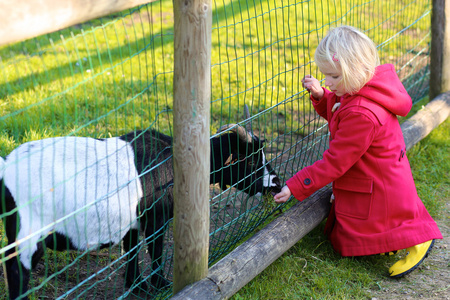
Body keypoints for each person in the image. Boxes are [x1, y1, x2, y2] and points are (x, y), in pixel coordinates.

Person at [274, 25, 442, 277]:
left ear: (355, 71)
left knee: (386, 219)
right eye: (325, 76)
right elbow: (343, 110)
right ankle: (397, 241)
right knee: (383, 220)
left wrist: (296, 185)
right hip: (380, 173)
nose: (327, 82)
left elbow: (335, 162)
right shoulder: (365, 88)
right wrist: (323, 96)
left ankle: (418, 240)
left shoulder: (363, 114)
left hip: (380, 182)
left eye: (333, 77)